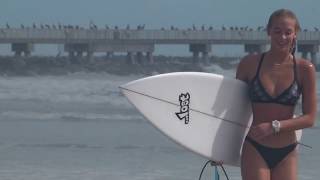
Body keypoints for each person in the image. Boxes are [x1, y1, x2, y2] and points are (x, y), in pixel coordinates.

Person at [236, 9, 317, 180]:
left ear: (295, 34)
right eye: (277, 31)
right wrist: (219, 150)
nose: (282, 37)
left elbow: (310, 118)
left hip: (287, 150)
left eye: (288, 32)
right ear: (268, 31)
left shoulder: (304, 69)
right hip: (255, 147)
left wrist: (274, 126)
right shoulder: (249, 64)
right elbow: (234, 110)